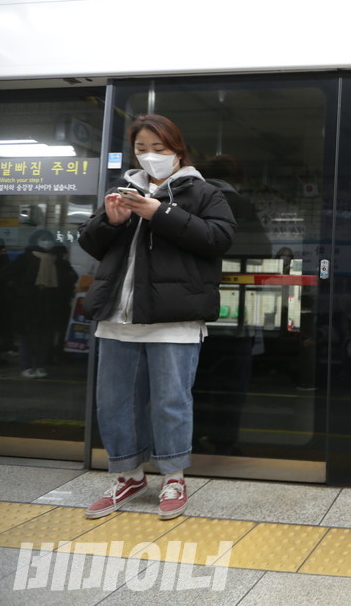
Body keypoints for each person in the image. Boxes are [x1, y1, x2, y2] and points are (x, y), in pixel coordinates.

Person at [78, 114, 236, 520]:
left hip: (175, 319)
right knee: (115, 402)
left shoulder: (203, 192)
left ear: (177, 151)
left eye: (159, 149)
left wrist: (158, 212)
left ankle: (173, 478)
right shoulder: (122, 190)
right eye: (141, 149)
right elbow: (92, 245)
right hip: (118, 315)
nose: (150, 156)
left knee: (170, 401)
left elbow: (218, 239)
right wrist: (110, 222)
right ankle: (128, 476)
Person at [0, 229, 77, 378]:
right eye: (42, 239)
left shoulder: (58, 261)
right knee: (27, 338)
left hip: (49, 306)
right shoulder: (25, 259)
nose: (45, 242)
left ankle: (40, 366)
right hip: (27, 305)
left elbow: (70, 278)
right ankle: (26, 366)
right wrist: (17, 289)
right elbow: (5, 275)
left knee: (45, 338)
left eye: (47, 239)